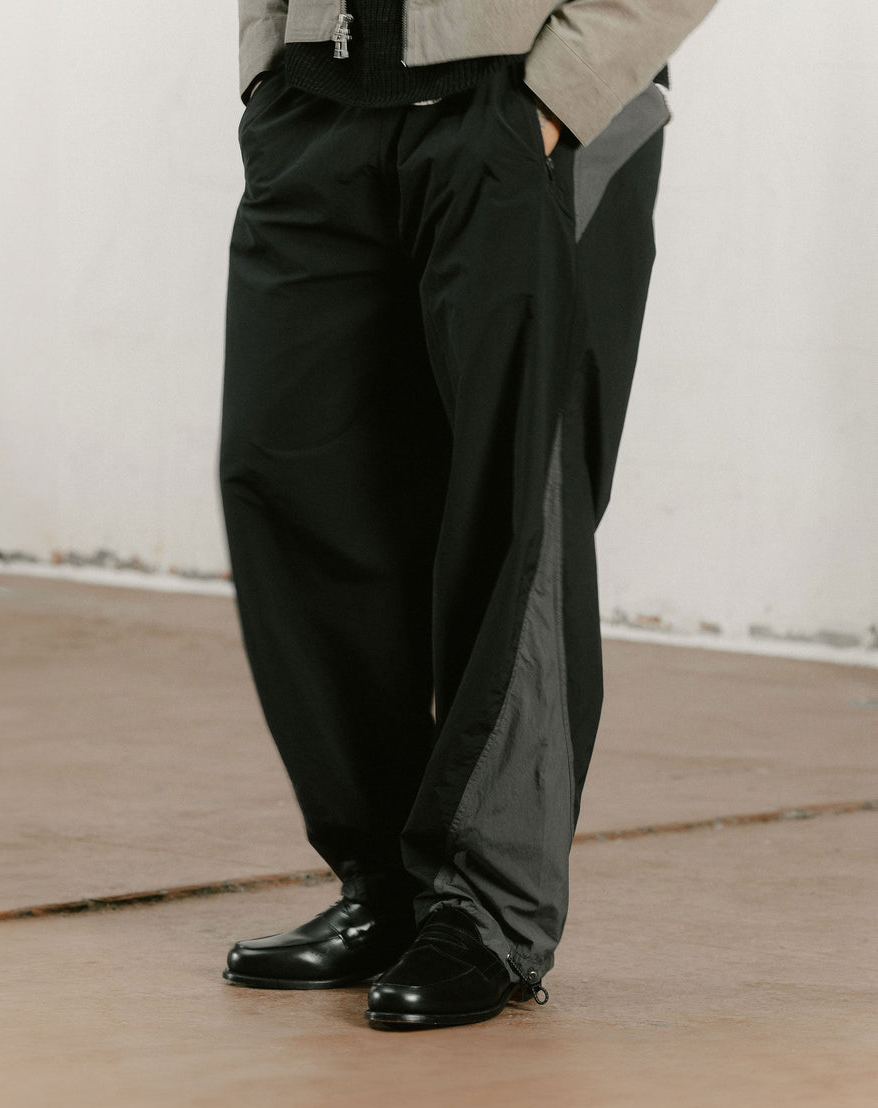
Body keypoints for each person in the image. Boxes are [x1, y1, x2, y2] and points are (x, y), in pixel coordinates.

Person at [219, 0, 717, 1029]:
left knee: (513, 508)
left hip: (522, 100)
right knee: (292, 482)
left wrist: (563, 92)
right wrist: (269, 61)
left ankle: (486, 914)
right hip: (321, 102)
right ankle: (389, 883)